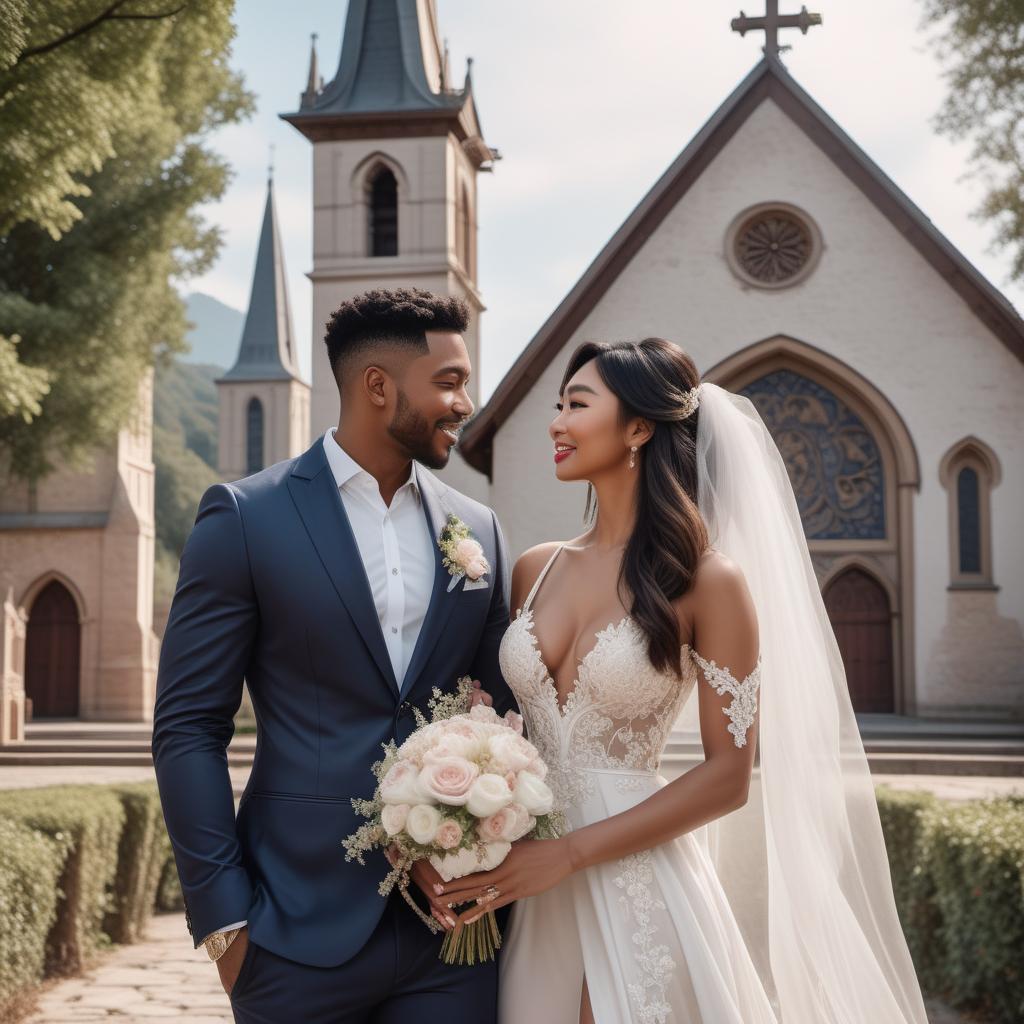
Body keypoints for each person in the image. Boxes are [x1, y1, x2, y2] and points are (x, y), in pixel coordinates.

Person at [436, 337, 929, 1023]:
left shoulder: (708, 579)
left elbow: (729, 774)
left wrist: (570, 853)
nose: (556, 422)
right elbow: (506, 722)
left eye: (577, 404)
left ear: (639, 427)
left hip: (632, 874)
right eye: (556, 406)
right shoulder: (534, 568)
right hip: (529, 877)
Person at [152, 287, 517, 1023]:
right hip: (292, 930)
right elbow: (188, 727)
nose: (464, 402)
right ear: (378, 386)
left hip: (452, 941)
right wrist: (226, 924)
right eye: (448, 381)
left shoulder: (480, 530)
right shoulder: (246, 517)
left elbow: (499, 713)